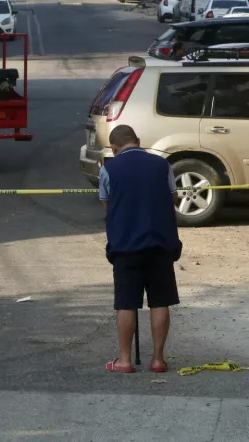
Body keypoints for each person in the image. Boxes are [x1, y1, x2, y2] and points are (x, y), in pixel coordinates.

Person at [99, 125, 181, 374]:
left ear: (114, 148)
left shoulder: (108, 169)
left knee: (126, 302)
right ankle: (158, 359)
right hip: (160, 243)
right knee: (160, 301)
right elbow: (174, 197)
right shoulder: (162, 164)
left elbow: (106, 203)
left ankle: (124, 360)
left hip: (125, 246)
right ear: (138, 141)